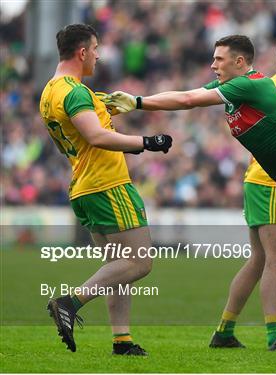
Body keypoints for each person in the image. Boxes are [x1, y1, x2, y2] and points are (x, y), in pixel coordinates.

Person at [104, 34, 276, 356]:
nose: (212, 64)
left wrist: (138, 102)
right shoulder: (232, 92)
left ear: (240, 62)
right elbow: (187, 95)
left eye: (219, 59)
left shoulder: (251, 84)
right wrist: (140, 102)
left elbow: (188, 100)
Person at [40, 24, 172, 355]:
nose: (98, 55)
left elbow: (67, 141)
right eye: (96, 49)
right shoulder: (74, 91)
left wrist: (110, 105)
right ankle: (69, 302)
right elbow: (97, 136)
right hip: (107, 184)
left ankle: (122, 340)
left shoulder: (50, 92)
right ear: (82, 52)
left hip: (84, 187)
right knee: (140, 262)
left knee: (118, 267)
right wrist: (147, 142)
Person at [208, 31, 276, 351]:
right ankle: (275, 336)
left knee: (259, 261)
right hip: (271, 182)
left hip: (272, 180)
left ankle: (224, 330)